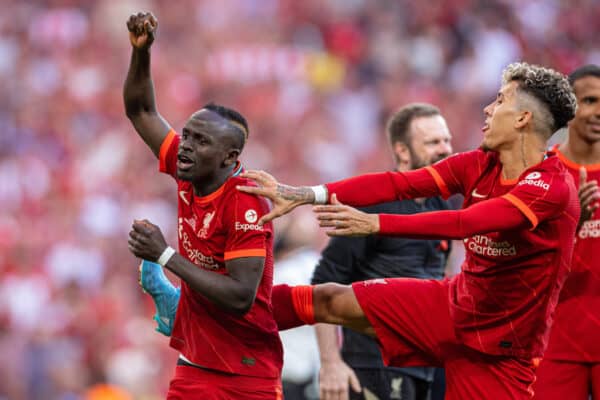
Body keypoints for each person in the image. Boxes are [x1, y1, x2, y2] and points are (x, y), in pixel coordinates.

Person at [238, 62, 580, 400]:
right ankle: (222, 314)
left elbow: (468, 223)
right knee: (329, 298)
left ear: (523, 118)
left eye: (501, 100)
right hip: (452, 308)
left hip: (500, 351)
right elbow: (397, 184)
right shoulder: (478, 164)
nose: (488, 109)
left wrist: (376, 223)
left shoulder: (551, 187)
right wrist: (306, 194)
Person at [123, 12, 283, 399]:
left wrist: (165, 256)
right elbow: (141, 111)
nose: (187, 146)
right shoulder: (187, 167)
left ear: (229, 158)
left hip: (246, 372)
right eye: (188, 135)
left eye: (200, 141)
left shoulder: (245, 203)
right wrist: (141, 53)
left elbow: (240, 295)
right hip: (195, 363)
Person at [312, 103, 453, 400]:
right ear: (402, 151)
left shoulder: (441, 205)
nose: (445, 149)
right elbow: (322, 282)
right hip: (374, 367)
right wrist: (330, 363)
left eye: (446, 140)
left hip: (422, 368)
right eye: (433, 142)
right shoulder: (374, 202)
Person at [533, 65, 600, 400]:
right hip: (555, 346)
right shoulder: (543, 175)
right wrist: (572, 225)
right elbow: (525, 261)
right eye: (589, 100)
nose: (599, 111)